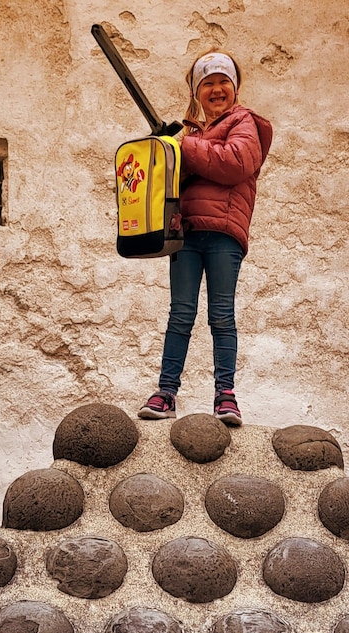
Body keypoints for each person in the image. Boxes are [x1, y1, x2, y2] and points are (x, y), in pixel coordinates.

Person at [138, 49, 273, 426]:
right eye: (207, 83)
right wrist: (165, 151)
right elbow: (170, 180)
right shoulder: (191, 135)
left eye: (222, 82)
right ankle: (166, 392)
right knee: (180, 314)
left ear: (235, 89)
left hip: (224, 234)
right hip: (186, 234)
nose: (216, 89)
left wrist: (182, 146)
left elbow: (235, 162)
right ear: (197, 93)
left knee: (221, 315)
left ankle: (225, 395)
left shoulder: (244, 122)